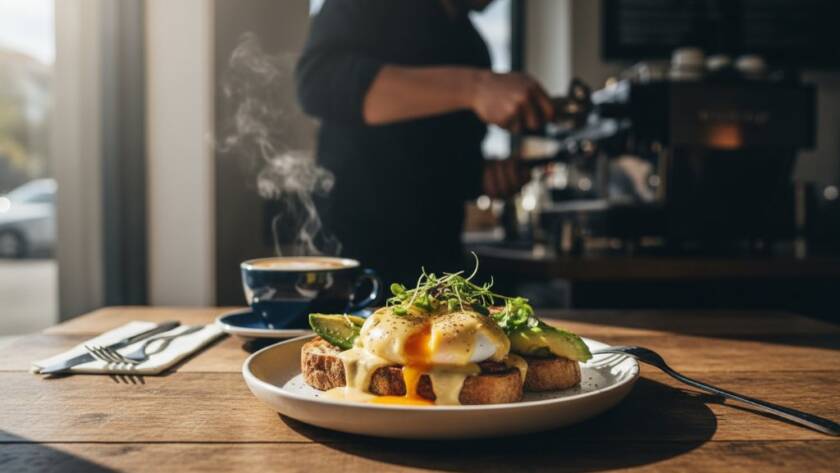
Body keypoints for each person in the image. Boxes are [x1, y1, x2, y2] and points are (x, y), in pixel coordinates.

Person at [296, 0, 554, 286]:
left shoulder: (472, 45)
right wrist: (476, 87)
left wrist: (484, 176)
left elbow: (448, 163)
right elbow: (317, 82)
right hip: (355, 251)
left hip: (437, 262)